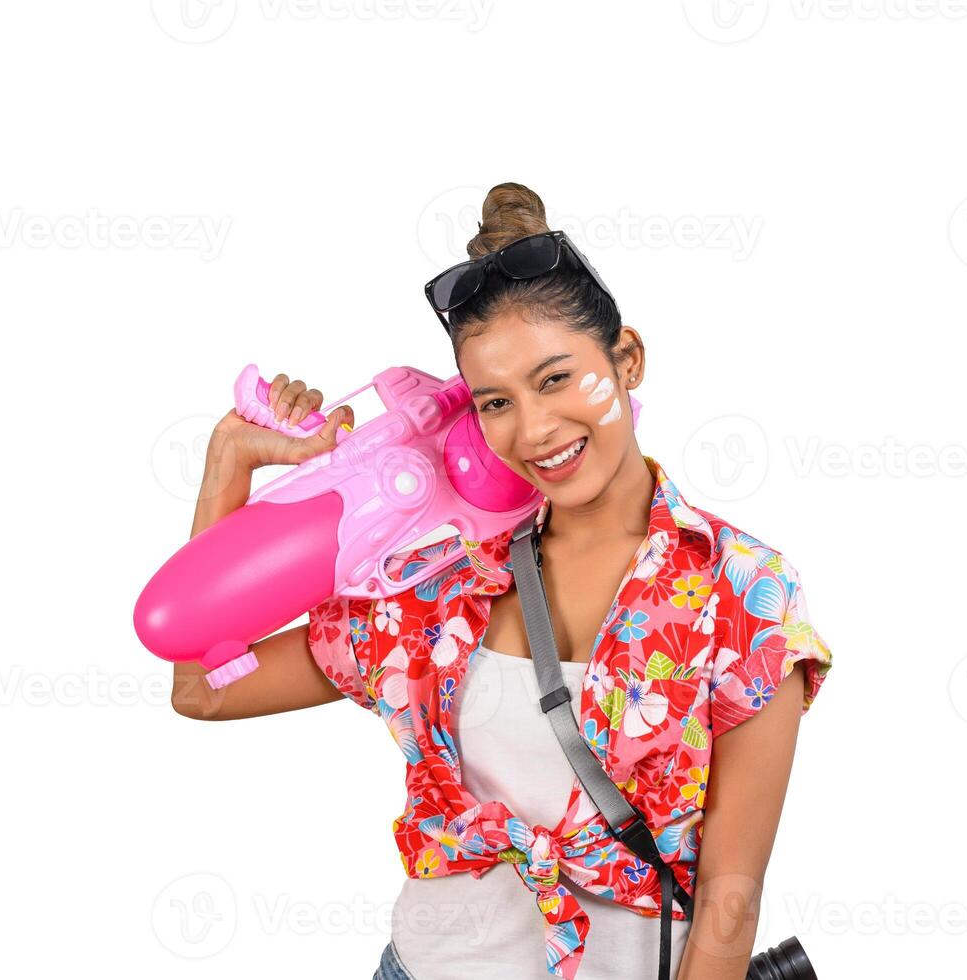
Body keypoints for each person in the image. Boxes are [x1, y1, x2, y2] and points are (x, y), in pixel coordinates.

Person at [170, 182, 834, 980]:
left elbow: (729, 900)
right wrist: (229, 467)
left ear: (625, 360)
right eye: (495, 401)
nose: (533, 430)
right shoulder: (435, 580)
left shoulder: (739, 591)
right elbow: (202, 687)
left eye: (556, 380)